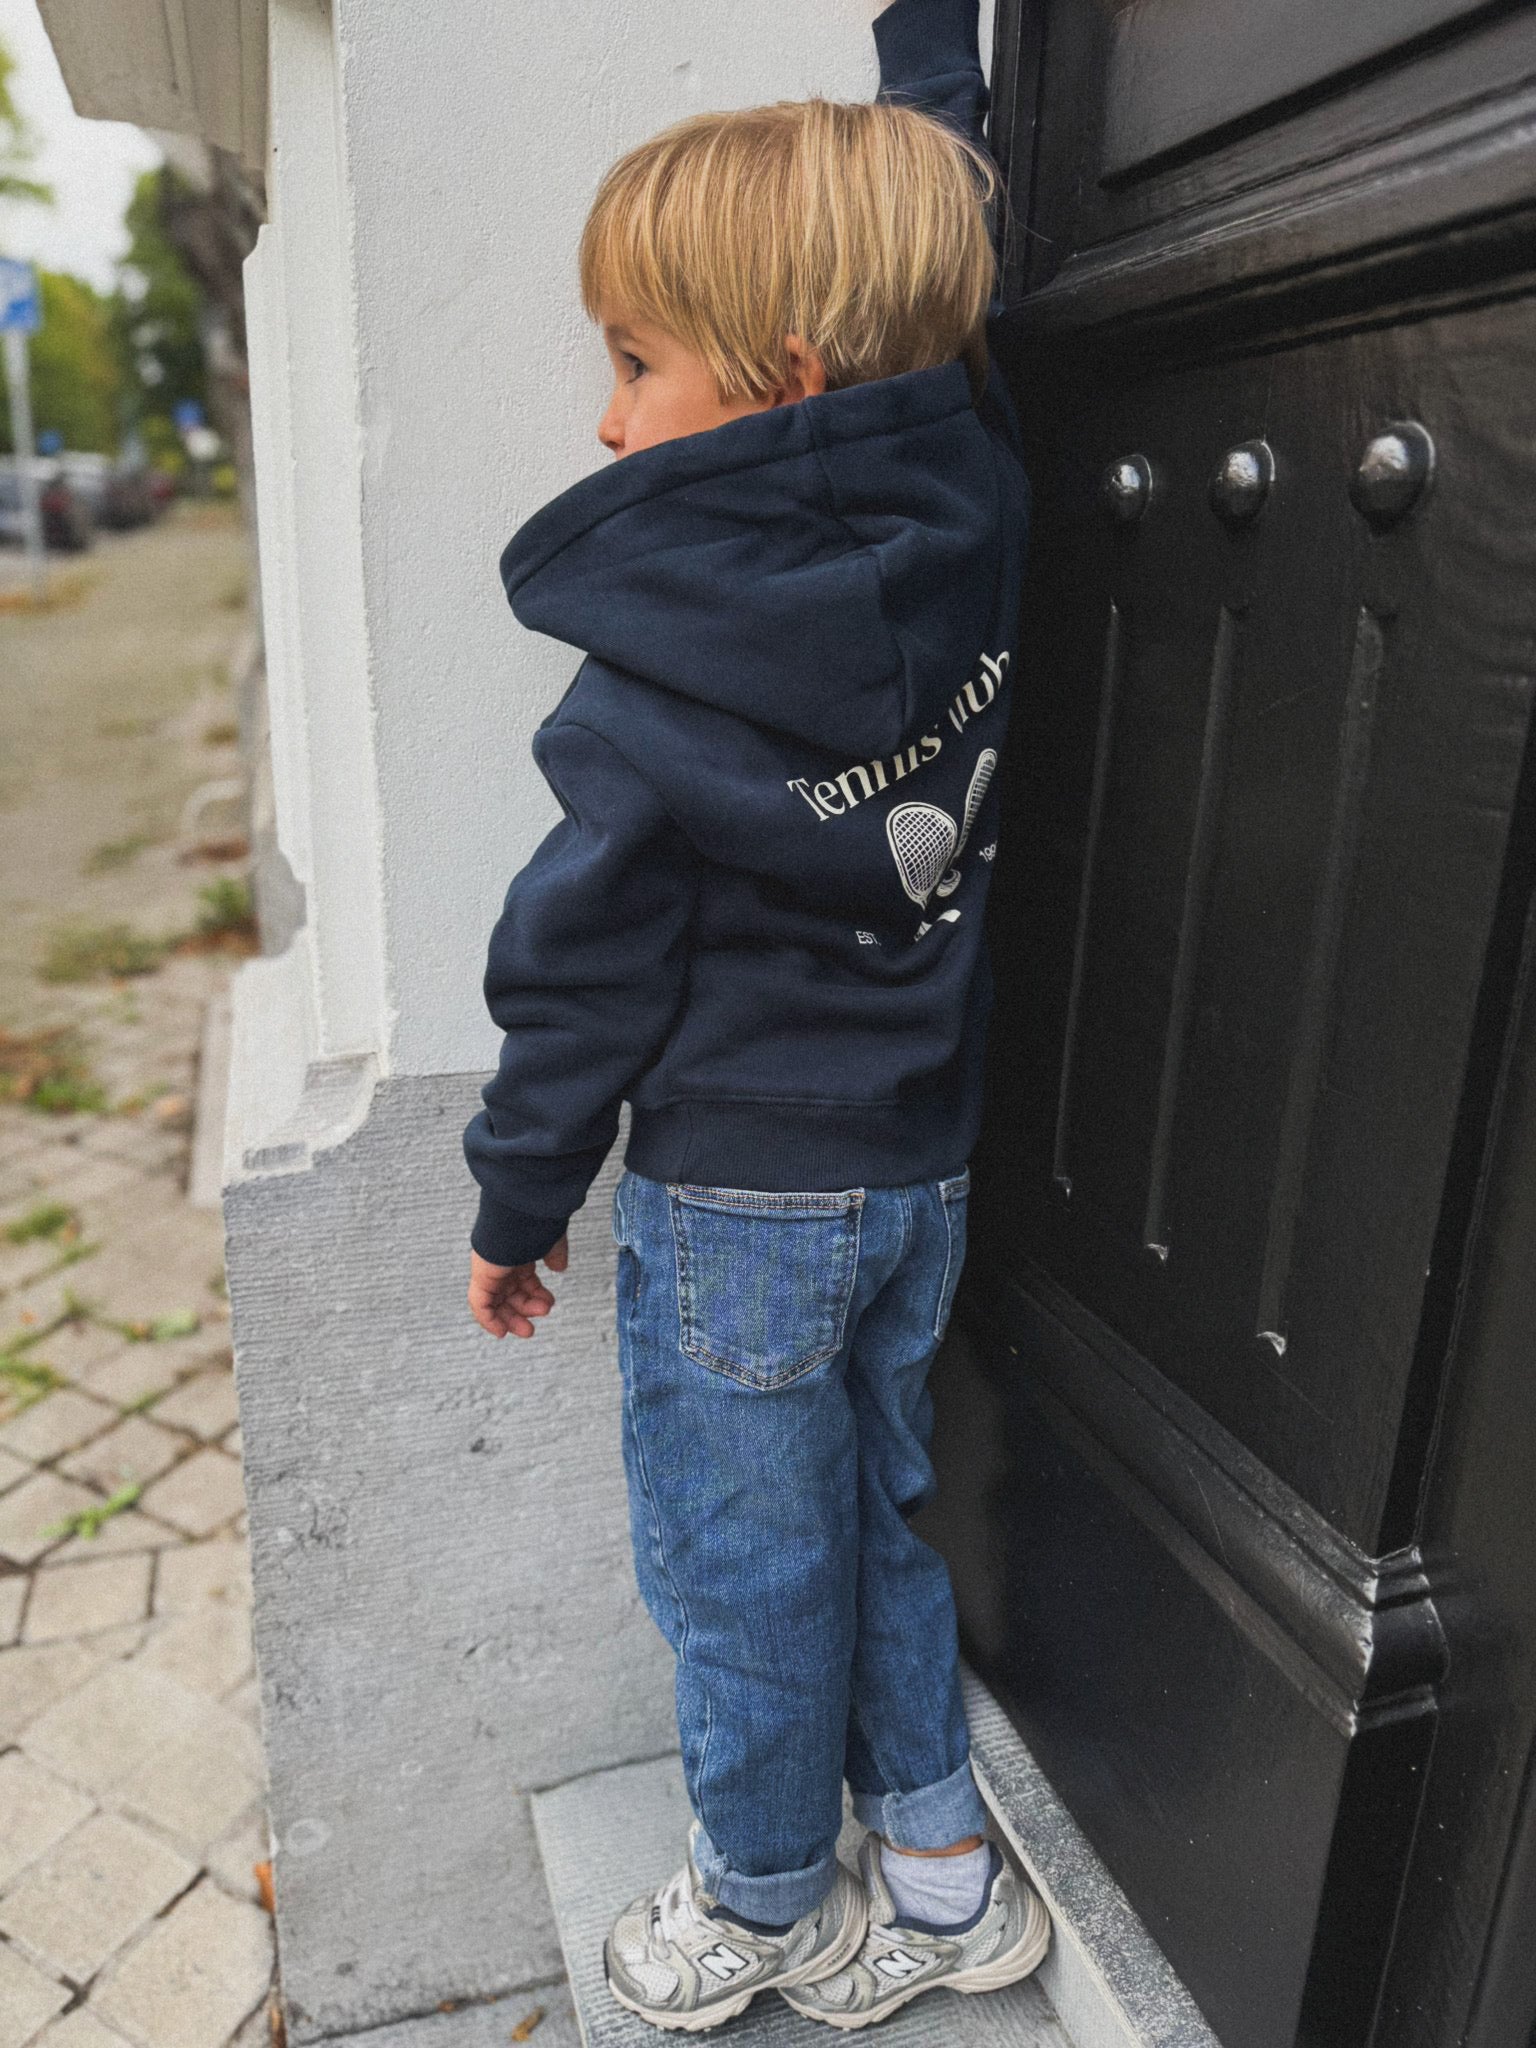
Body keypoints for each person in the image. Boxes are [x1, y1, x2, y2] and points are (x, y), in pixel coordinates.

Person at [463, 0, 1048, 2029]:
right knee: (876, 1512)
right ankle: (947, 1878)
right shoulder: (976, 499)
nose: (608, 423)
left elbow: (579, 972)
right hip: (920, 1172)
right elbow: (951, 285)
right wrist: (929, 48)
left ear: (789, 377)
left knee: (742, 1565)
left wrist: (517, 1197)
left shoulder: (650, 674)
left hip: (737, 1207)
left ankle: (770, 1897)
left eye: (634, 363)